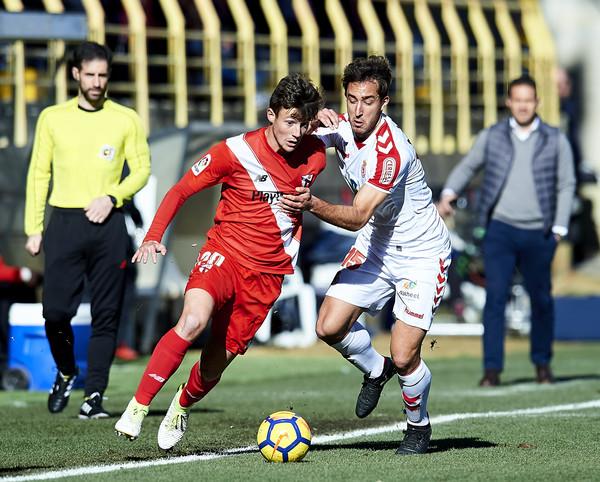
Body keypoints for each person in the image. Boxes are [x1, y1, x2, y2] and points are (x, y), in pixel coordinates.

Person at [114, 73, 326, 450]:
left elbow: (346, 124)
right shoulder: (234, 152)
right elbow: (180, 190)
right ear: (271, 115)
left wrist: (328, 116)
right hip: (224, 254)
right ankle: (138, 405)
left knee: (214, 364)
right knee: (193, 321)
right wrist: (152, 236)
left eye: (303, 123)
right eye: (289, 121)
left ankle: (181, 403)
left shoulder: (316, 154)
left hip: (268, 276)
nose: (295, 131)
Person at [280, 56, 451, 455]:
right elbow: (297, 144)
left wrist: (311, 203)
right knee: (328, 327)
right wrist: (305, 123)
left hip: (420, 254)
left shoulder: (391, 152)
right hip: (378, 244)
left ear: (384, 102)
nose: (358, 110)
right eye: (352, 99)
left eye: (368, 101)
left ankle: (418, 427)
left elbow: (357, 216)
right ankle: (376, 371)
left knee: (405, 353)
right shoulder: (341, 125)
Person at [24, 41, 151, 418]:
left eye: (103, 75)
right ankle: (66, 371)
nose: (97, 82)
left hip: (109, 225)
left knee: (106, 313)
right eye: (90, 74)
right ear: (76, 74)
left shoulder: (125, 118)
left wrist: (112, 197)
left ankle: (94, 395)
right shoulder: (52, 118)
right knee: (55, 312)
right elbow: (38, 174)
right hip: (64, 222)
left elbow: (141, 170)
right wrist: (34, 227)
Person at [437, 74, 576, 387]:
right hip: (499, 229)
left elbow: (567, 183)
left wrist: (559, 227)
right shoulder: (494, 135)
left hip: (540, 232)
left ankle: (542, 364)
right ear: (509, 102)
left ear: (537, 102)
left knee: (541, 299)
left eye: (529, 100)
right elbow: (468, 166)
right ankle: (491, 369)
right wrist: (449, 193)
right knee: (495, 298)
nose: (524, 106)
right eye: (518, 100)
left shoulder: (555, 138)